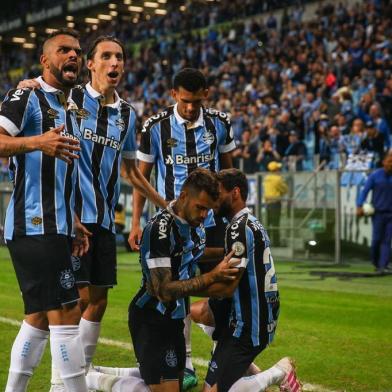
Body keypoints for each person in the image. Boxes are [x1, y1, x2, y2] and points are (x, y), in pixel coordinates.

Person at [19, 35, 168, 391]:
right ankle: (61, 383)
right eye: (106, 56)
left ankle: (79, 376)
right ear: (91, 63)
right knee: (73, 300)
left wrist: (164, 205)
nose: (114, 63)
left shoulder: (127, 115)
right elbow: (39, 93)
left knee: (98, 300)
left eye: (119, 56)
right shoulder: (71, 99)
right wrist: (27, 84)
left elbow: (132, 171)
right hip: (70, 217)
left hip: (103, 218)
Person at [129, 67, 235, 389]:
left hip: (213, 223)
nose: (190, 108)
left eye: (196, 101)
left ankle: (222, 359)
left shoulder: (220, 124)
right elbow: (141, 176)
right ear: (174, 94)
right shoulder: (155, 127)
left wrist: (235, 218)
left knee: (225, 291)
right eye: (184, 101)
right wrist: (135, 220)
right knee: (176, 291)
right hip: (173, 225)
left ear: (206, 94)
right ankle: (186, 363)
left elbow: (230, 176)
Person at [0, 28, 90, 392]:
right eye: (64, 50)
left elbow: (59, 176)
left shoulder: (68, 106)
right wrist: (39, 142)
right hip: (34, 225)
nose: (73, 56)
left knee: (37, 317)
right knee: (68, 311)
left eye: (77, 51)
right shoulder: (27, 94)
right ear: (45, 60)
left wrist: (75, 221)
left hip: (54, 225)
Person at [128, 168, 239, 392]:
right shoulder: (160, 230)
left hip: (175, 319)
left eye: (207, 210)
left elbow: (195, 252)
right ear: (184, 196)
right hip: (151, 319)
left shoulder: (195, 228)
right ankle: (94, 380)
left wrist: (230, 250)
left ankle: (101, 377)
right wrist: (212, 276)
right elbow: (164, 290)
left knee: (174, 386)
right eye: (200, 207)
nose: (203, 215)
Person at [190, 168, 301, 392]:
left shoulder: (237, 228)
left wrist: (180, 288)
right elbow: (227, 255)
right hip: (258, 313)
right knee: (195, 311)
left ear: (235, 193)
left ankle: (280, 371)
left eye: (218, 193)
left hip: (248, 325)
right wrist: (192, 253)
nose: (213, 201)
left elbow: (228, 286)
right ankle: (241, 366)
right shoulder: (249, 223)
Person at [357, 152, 392, 273]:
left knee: (387, 240)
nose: (391, 164)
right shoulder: (375, 175)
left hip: (391, 215)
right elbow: (364, 191)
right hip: (378, 213)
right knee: (376, 239)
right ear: (383, 162)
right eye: (389, 161)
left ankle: (383, 265)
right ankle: (376, 262)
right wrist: (359, 205)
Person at [263, 161, 289, 246]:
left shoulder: (266, 178)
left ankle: (268, 241)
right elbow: (285, 190)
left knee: (268, 223)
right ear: (276, 170)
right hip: (275, 203)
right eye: (278, 168)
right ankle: (276, 243)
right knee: (276, 224)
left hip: (267, 203)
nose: (279, 170)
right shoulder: (278, 179)